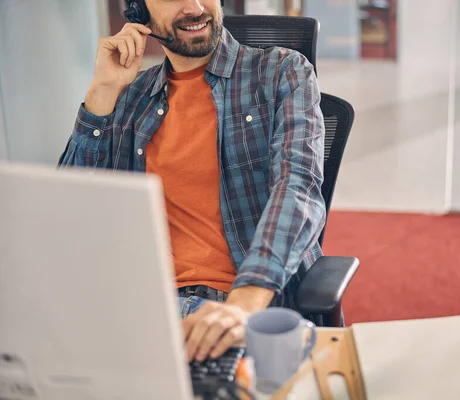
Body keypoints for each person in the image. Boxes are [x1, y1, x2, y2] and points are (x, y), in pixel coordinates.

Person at [58, 0, 326, 364]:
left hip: (234, 303)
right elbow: (68, 210)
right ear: (138, 11)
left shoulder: (281, 72)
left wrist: (244, 302)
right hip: (138, 305)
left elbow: (298, 185)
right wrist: (102, 93)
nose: (195, 7)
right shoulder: (131, 95)